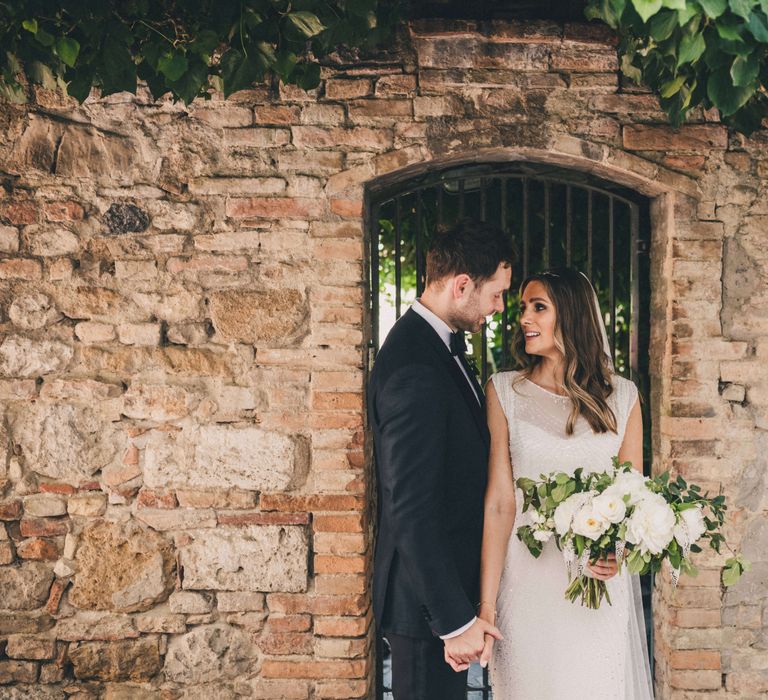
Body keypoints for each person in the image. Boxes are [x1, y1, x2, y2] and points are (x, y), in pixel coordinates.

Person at [478, 268, 653, 699]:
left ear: (570, 316)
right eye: (522, 308)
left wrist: (615, 552)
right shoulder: (503, 392)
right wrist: (486, 605)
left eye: (539, 307)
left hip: (594, 590)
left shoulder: (624, 398)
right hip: (525, 585)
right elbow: (500, 503)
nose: (524, 318)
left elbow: (631, 497)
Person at [368, 219, 514, 699]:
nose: (499, 307)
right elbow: (409, 506)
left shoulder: (434, 346)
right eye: (496, 294)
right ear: (462, 285)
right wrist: (453, 621)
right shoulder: (415, 364)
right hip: (426, 605)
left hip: (442, 594)